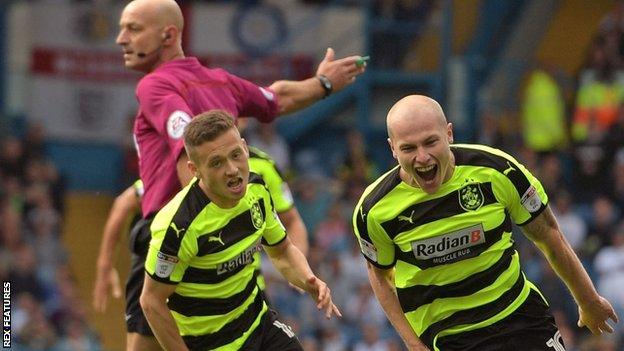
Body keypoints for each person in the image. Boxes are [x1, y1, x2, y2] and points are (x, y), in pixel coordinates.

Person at [115, 0, 364, 349]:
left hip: (175, 242)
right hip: (228, 237)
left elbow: (186, 143)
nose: (121, 38)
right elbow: (276, 98)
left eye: (133, 28)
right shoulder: (219, 81)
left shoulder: (154, 86)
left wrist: (211, 218)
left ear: (168, 34)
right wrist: (322, 83)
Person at [351, 95, 619, 351]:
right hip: (448, 337)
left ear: (449, 134)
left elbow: (548, 234)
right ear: (392, 149)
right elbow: (379, 276)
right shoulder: (373, 211)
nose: (422, 158)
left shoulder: (499, 171)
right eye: (409, 148)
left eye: (430, 142)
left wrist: (588, 299)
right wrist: (412, 343)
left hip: (520, 318)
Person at [141, 110, 340, 350]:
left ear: (245, 148)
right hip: (212, 344)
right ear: (195, 170)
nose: (232, 169)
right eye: (216, 163)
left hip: (260, 324)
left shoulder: (257, 188)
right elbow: (151, 301)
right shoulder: (178, 225)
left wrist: (308, 279)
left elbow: (282, 250)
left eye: (236, 155)